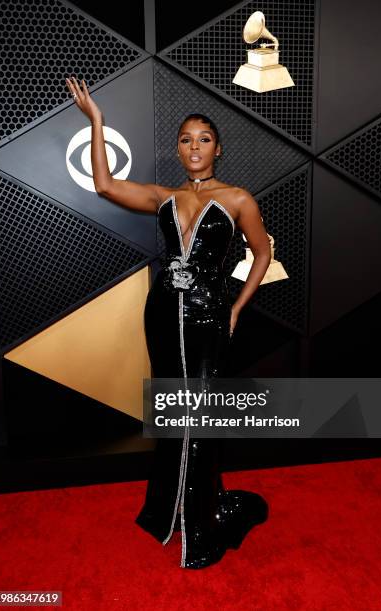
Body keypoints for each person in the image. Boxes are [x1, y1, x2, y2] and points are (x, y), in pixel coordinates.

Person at [65, 76, 272, 569]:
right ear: (178, 150)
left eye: (204, 139)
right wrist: (97, 121)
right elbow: (104, 184)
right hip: (162, 314)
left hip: (208, 316)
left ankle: (201, 522)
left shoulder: (239, 198)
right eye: (185, 139)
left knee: (199, 420)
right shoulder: (163, 196)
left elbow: (262, 254)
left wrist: (237, 308)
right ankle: (170, 509)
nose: (194, 146)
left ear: (217, 149)